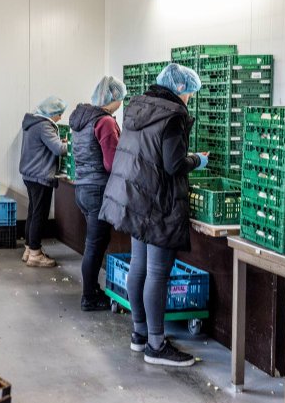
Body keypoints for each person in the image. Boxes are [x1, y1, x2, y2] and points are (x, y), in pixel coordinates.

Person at [99, 63, 208, 367]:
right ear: (181, 89)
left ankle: (140, 334)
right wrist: (198, 160)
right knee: (157, 272)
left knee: (139, 266)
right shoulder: (173, 116)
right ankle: (156, 345)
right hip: (158, 201)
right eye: (190, 93)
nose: (190, 99)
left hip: (135, 196)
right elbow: (173, 164)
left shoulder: (138, 106)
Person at [69, 76, 127, 312]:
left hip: (82, 187)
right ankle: (89, 297)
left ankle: (92, 289)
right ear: (114, 98)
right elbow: (112, 163)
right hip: (97, 189)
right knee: (94, 244)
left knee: (96, 242)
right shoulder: (104, 122)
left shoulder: (82, 120)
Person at [19, 96, 68, 268]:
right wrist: (72, 143)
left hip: (29, 174)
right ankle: (35, 254)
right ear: (51, 112)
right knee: (39, 214)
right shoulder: (45, 125)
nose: (60, 118)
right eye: (59, 114)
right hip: (40, 176)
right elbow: (59, 150)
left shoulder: (31, 123)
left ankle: (29, 249)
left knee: (33, 212)